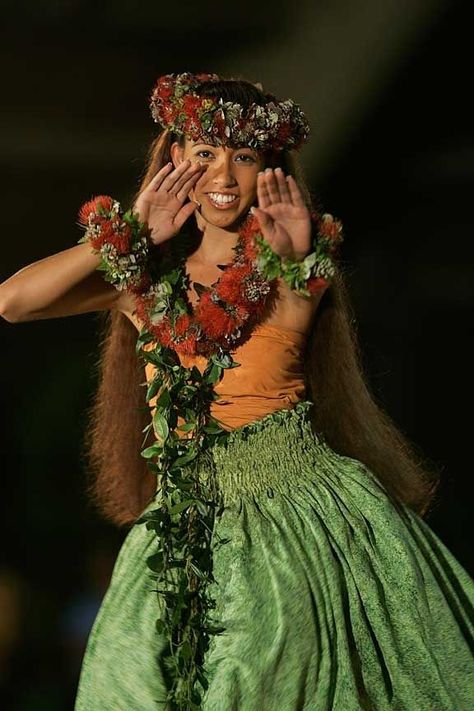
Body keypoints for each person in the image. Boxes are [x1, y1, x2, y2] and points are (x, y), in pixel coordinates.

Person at [1, 72, 473, 711]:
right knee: (127, 688)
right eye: (205, 154)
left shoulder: (289, 265)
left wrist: (298, 254)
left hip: (295, 516)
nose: (222, 176)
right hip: (178, 524)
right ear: (175, 160)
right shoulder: (141, 279)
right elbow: (13, 303)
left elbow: (302, 283)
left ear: (267, 171)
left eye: (244, 158)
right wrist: (130, 232)